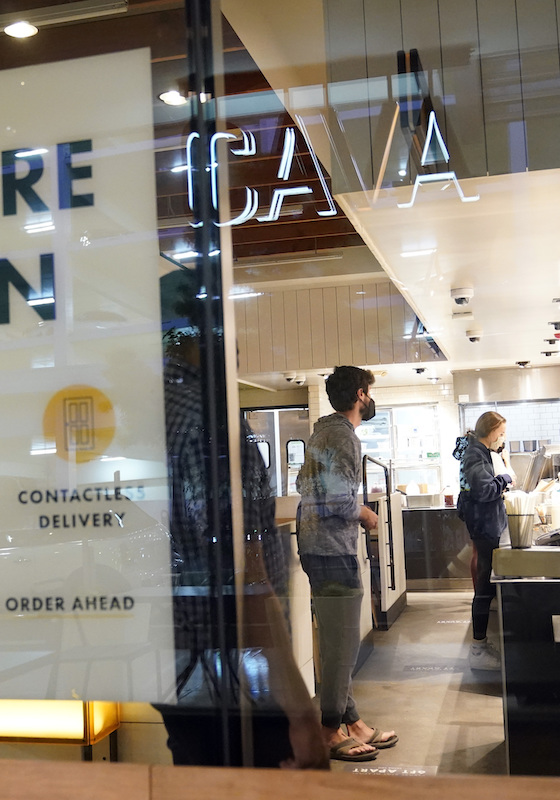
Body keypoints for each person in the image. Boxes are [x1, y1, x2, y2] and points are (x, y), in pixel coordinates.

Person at [155, 269, 326, 770]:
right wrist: (298, 708)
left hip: (174, 666)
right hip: (235, 673)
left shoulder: (141, 415)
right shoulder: (212, 421)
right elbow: (245, 572)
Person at [296, 365, 398, 762]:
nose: (370, 400)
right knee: (342, 645)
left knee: (340, 640)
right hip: (332, 550)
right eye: (369, 393)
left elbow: (310, 490)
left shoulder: (322, 431)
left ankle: (352, 720)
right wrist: (366, 514)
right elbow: (336, 501)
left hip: (316, 547)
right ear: (360, 395)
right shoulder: (344, 438)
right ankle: (328, 730)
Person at [453, 411, 511, 672]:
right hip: (484, 525)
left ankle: (481, 645)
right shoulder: (476, 453)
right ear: (493, 429)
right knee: (485, 589)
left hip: (486, 524)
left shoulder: (478, 451)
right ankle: (478, 647)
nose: (503, 436)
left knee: (486, 586)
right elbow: (485, 490)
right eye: (502, 431)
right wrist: (506, 479)